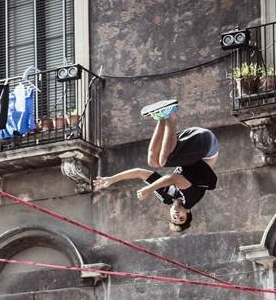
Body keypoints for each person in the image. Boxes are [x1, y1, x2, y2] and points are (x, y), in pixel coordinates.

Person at [93, 100, 218, 233]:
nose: (176, 216)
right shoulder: (191, 199)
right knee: (164, 161)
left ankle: (160, 118)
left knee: (153, 161)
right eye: (181, 218)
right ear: (187, 212)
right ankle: (169, 114)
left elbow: (140, 173)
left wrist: (111, 179)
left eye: (174, 218)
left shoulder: (166, 197)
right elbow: (173, 178)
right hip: (206, 146)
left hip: (190, 143)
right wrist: (149, 189)